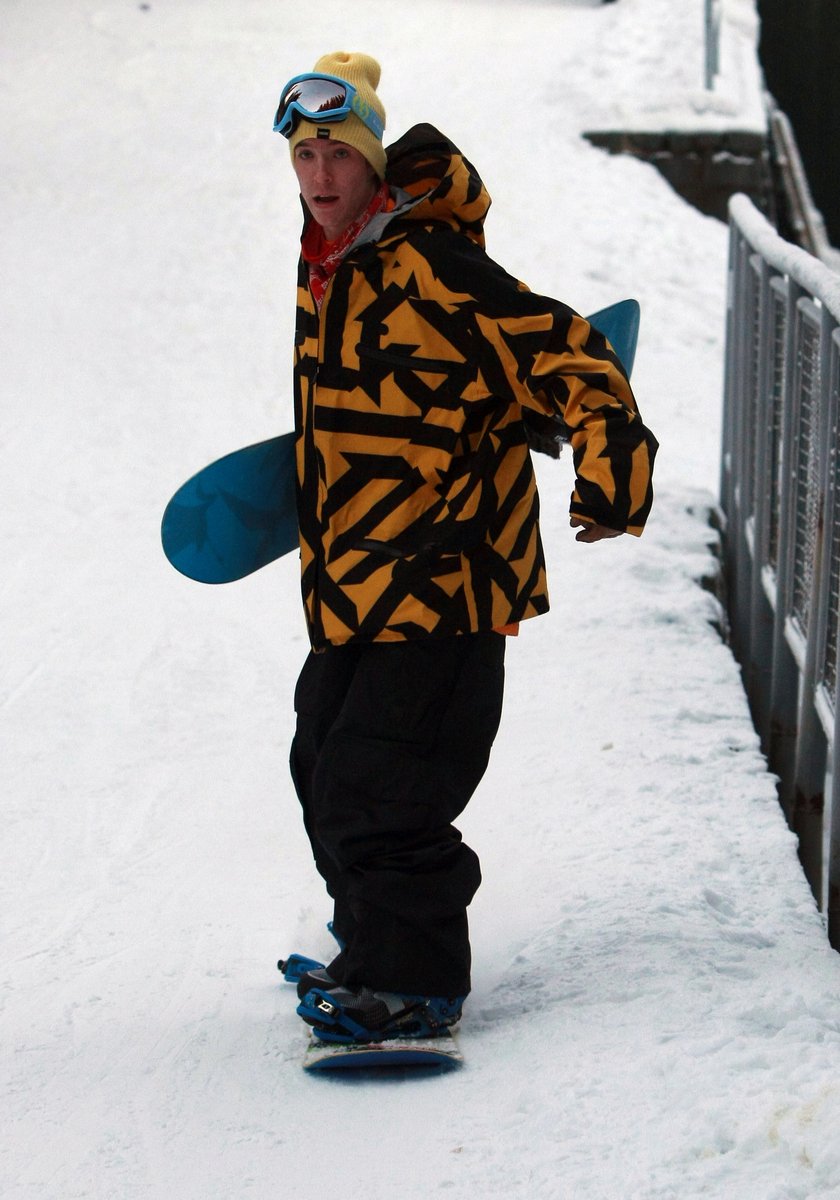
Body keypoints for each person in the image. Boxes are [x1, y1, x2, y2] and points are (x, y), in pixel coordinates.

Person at [274, 51, 658, 1044]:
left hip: (443, 582)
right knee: (323, 766)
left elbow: (573, 352)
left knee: (383, 786)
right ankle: (370, 945)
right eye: (304, 155)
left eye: (338, 157)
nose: (319, 177)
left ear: (374, 164)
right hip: (356, 582)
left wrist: (610, 474)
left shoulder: (434, 267)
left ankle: (414, 983)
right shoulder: (331, 262)